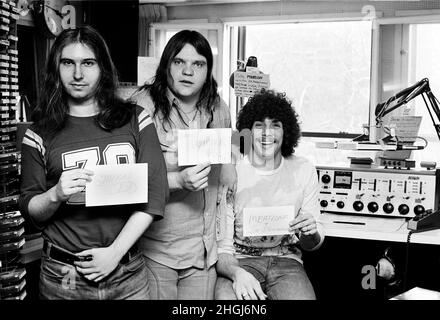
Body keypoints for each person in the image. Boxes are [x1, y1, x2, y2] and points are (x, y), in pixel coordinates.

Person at [18, 26, 168, 300]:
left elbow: (155, 194)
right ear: (56, 68)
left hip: (126, 272)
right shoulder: (37, 134)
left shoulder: (135, 118)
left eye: (88, 63)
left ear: (103, 68)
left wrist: (115, 253)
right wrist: (55, 194)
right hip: (64, 277)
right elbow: (31, 210)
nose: (77, 74)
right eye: (68, 63)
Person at [130, 30, 236, 300]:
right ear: (167, 64)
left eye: (198, 64)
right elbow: (126, 181)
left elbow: (227, 169)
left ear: (208, 70)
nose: (188, 71)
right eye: (179, 62)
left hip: (203, 254)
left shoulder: (219, 108)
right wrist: (178, 180)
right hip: (157, 251)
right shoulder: (140, 107)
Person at [215, 89, 324, 300]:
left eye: (275, 125)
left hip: (288, 261)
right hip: (240, 261)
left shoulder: (303, 169)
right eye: (259, 126)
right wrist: (238, 273)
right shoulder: (232, 171)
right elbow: (223, 248)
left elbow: (312, 244)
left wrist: (311, 233)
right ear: (247, 131)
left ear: (286, 131)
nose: (267, 133)